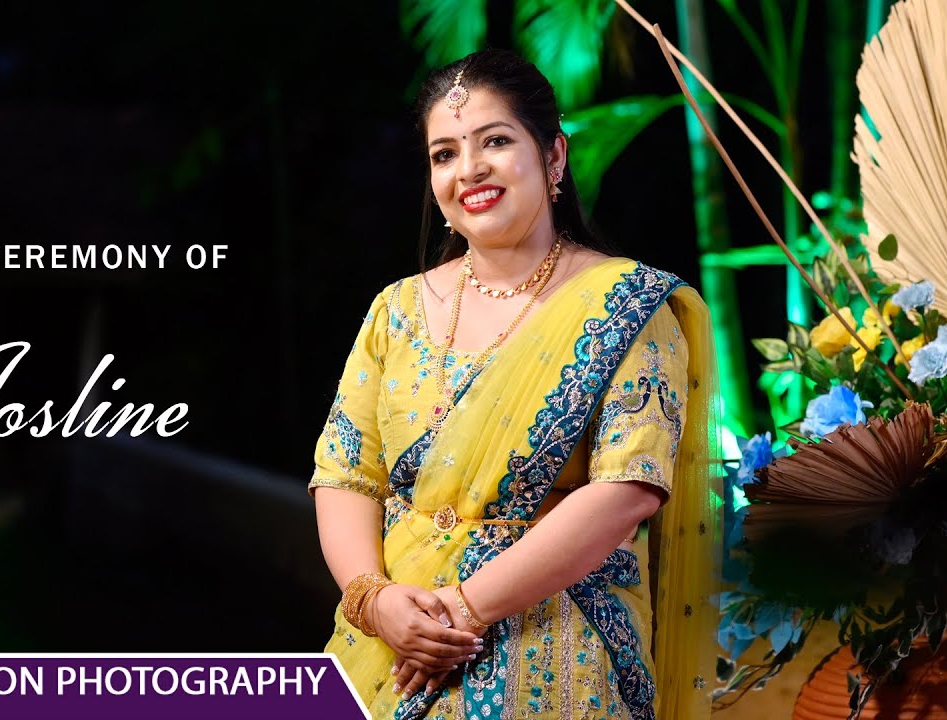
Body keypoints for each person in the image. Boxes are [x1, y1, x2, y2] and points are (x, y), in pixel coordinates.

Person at [309, 48, 722, 720]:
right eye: (445, 154)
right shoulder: (396, 310)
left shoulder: (628, 306)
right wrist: (373, 599)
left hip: (555, 644)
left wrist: (459, 612)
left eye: (495, 141)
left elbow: (627, 489)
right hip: (391, 642)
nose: (468, 168)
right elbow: (345, 474)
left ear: (554, 158)